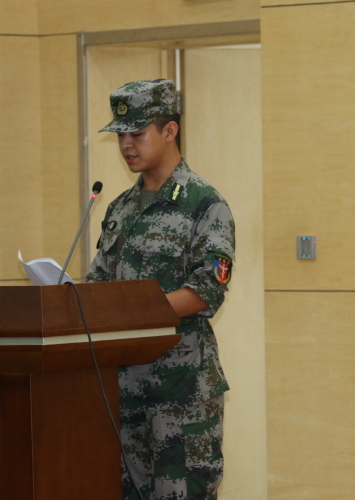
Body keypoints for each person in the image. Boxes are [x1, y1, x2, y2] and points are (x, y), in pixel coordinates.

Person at [86, 79, 235, 500]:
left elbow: (207, 290)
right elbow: (99, 284)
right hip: (123, 393)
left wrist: (133, 311)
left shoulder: (205, 204)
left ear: (169, 131)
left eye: (137, 133)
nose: (126, 145)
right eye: (121, 135)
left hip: (180, 397)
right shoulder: (119, 208)